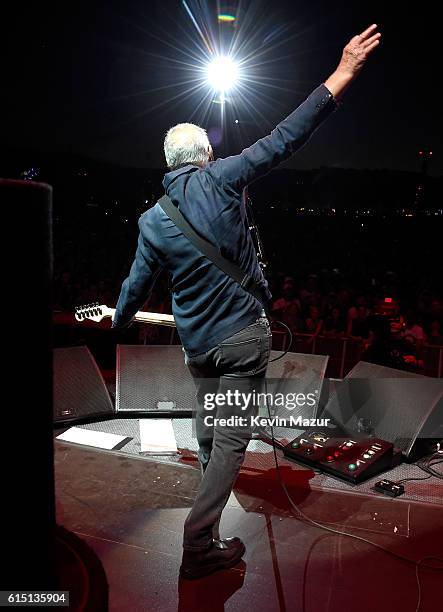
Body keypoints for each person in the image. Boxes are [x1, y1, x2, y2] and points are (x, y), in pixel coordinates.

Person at [111, 24, 381, 579]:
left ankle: (207, 521)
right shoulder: (226, 177)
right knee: (231, 439)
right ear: (206, 155)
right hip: (239, 341)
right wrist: (343, 74)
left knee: (210, 430)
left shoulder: (152, 219)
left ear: (168, 162)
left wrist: (117, 324)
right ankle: (198, 543)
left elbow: (135, 287)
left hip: (199, 349)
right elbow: (287, 135)